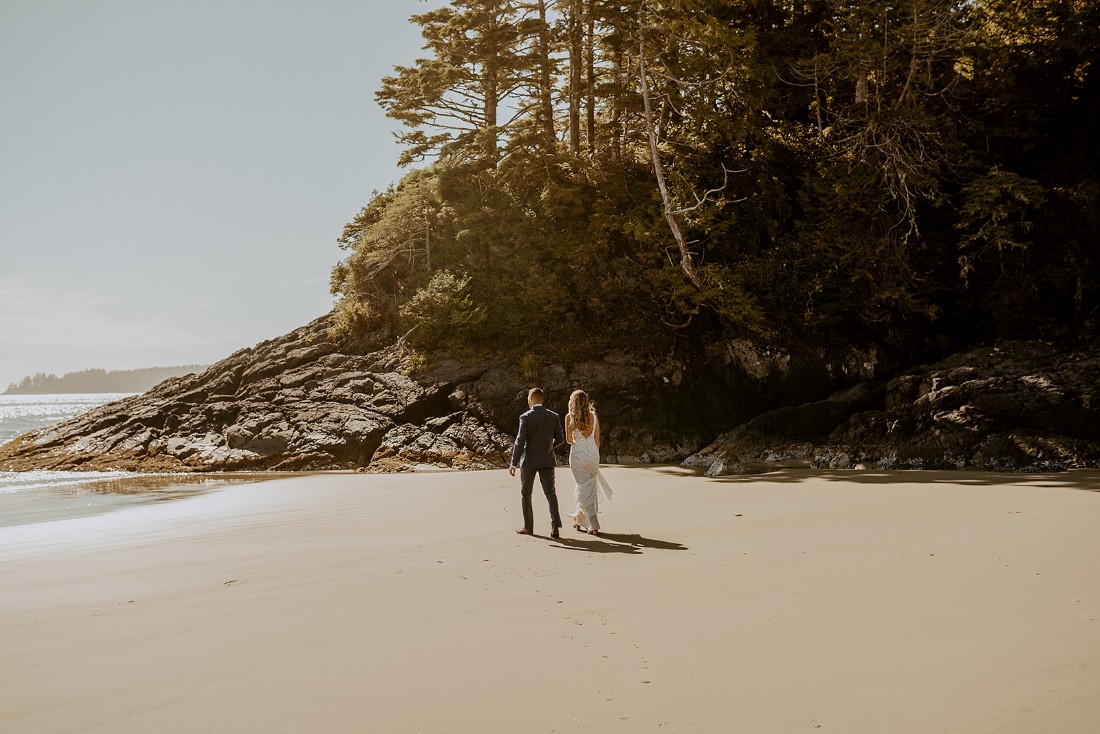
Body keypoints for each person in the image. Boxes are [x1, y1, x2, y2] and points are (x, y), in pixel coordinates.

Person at [509, 387, 565, 538]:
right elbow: (560, 439)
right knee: (550, 493)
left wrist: (513, 463)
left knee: (526, 493)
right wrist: (548, 446)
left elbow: (519, 442)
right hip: (547, 459)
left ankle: (528, 527)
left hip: (529, 461)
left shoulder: (525, 417)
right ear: (542, 399)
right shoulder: (553, 416)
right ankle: (555, 526)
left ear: (530, 399)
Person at [565, 389, 612, 535]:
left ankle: (594, 524)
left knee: (582, 487)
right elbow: (597, 438)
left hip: (578, 455)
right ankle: (579, 521)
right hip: (592, 454)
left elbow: (568, 440)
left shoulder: (569, 417)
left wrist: (578, 442)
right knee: (587, 489)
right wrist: (593, 453)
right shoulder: (594, 416)